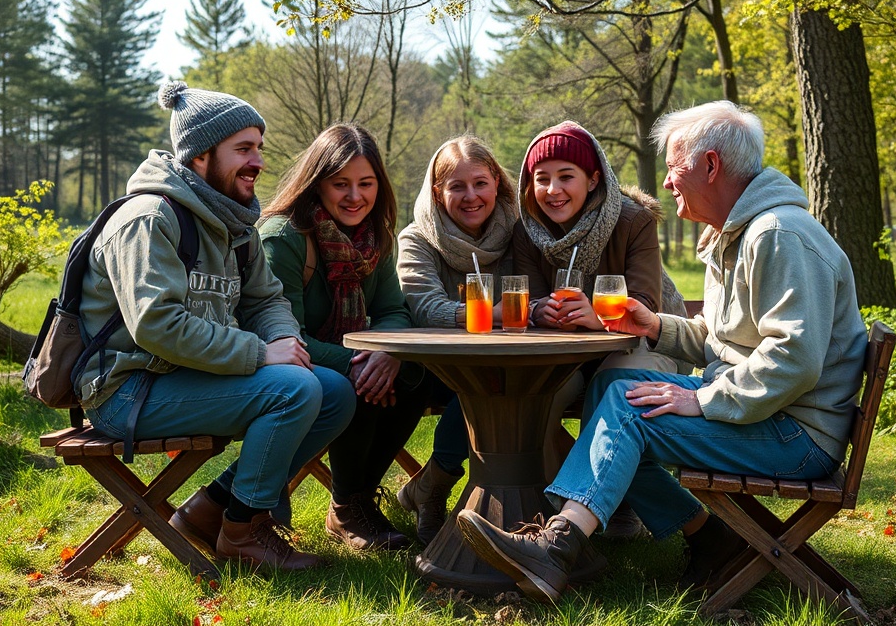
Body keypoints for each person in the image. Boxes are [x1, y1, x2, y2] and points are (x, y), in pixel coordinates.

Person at [455, 101, 868, 602]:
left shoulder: (777, 236)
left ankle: (555, 546)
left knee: (630, 416)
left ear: (711, 166)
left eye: (675, 167)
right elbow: (725, 340)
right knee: (614, 386)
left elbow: (793, 360)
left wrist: (703, 401)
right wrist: (655, 327)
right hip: (768, 413)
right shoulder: (735, 236)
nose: (668, 183)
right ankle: (708, 537)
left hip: (794, 434)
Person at [77, 81, 356, 572]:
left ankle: (213, 511)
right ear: (201, 154)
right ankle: (242, 534)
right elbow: (156, 324)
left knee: (333, 391)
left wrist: (283, 337)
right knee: (293, 389)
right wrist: (260, 355)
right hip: (127, 390)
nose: (258, 162)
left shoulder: (233, 223)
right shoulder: (149, 219)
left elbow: (266, 298)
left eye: (259, 148)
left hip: (184, 377)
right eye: (242, 149)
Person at [513, 120, 687, 538]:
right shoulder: (526, 230)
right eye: (542, 179)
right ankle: (555, 506)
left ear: (593, 180)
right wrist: (540, 311)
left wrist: (599, 317)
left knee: (613, 385)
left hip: (640, 342)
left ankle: (611, 510)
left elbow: (646, 302)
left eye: (566, 177)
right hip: (567, 352)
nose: (553, 189)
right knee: (535, 396)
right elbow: (531, 297)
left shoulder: (632, 220)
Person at [259, 123, 426, 552]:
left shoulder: (376, 237)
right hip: (283, 363)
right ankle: (347, 505)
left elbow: (393, 311)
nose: (355, 196)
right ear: (318, 185)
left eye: (366, 183)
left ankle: (354, 501)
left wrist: (387, 350)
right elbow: (282, 334)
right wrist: (366, 358)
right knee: (361, 379)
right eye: (341, 184)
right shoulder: (285, 239)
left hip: (351, 355)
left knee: (415, 373)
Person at [395, 135, 518, 544]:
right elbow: (426, 307)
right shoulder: (417, 239)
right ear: (437, 191)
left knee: (502, 384)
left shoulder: (520, 232)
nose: (471, 196)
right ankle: (437, 492)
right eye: (456, 186)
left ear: (497, 183)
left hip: (513, 362)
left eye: (480, 183)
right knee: (479, 388)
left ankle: (430, 485)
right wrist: (490, 315)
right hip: (437, 367)